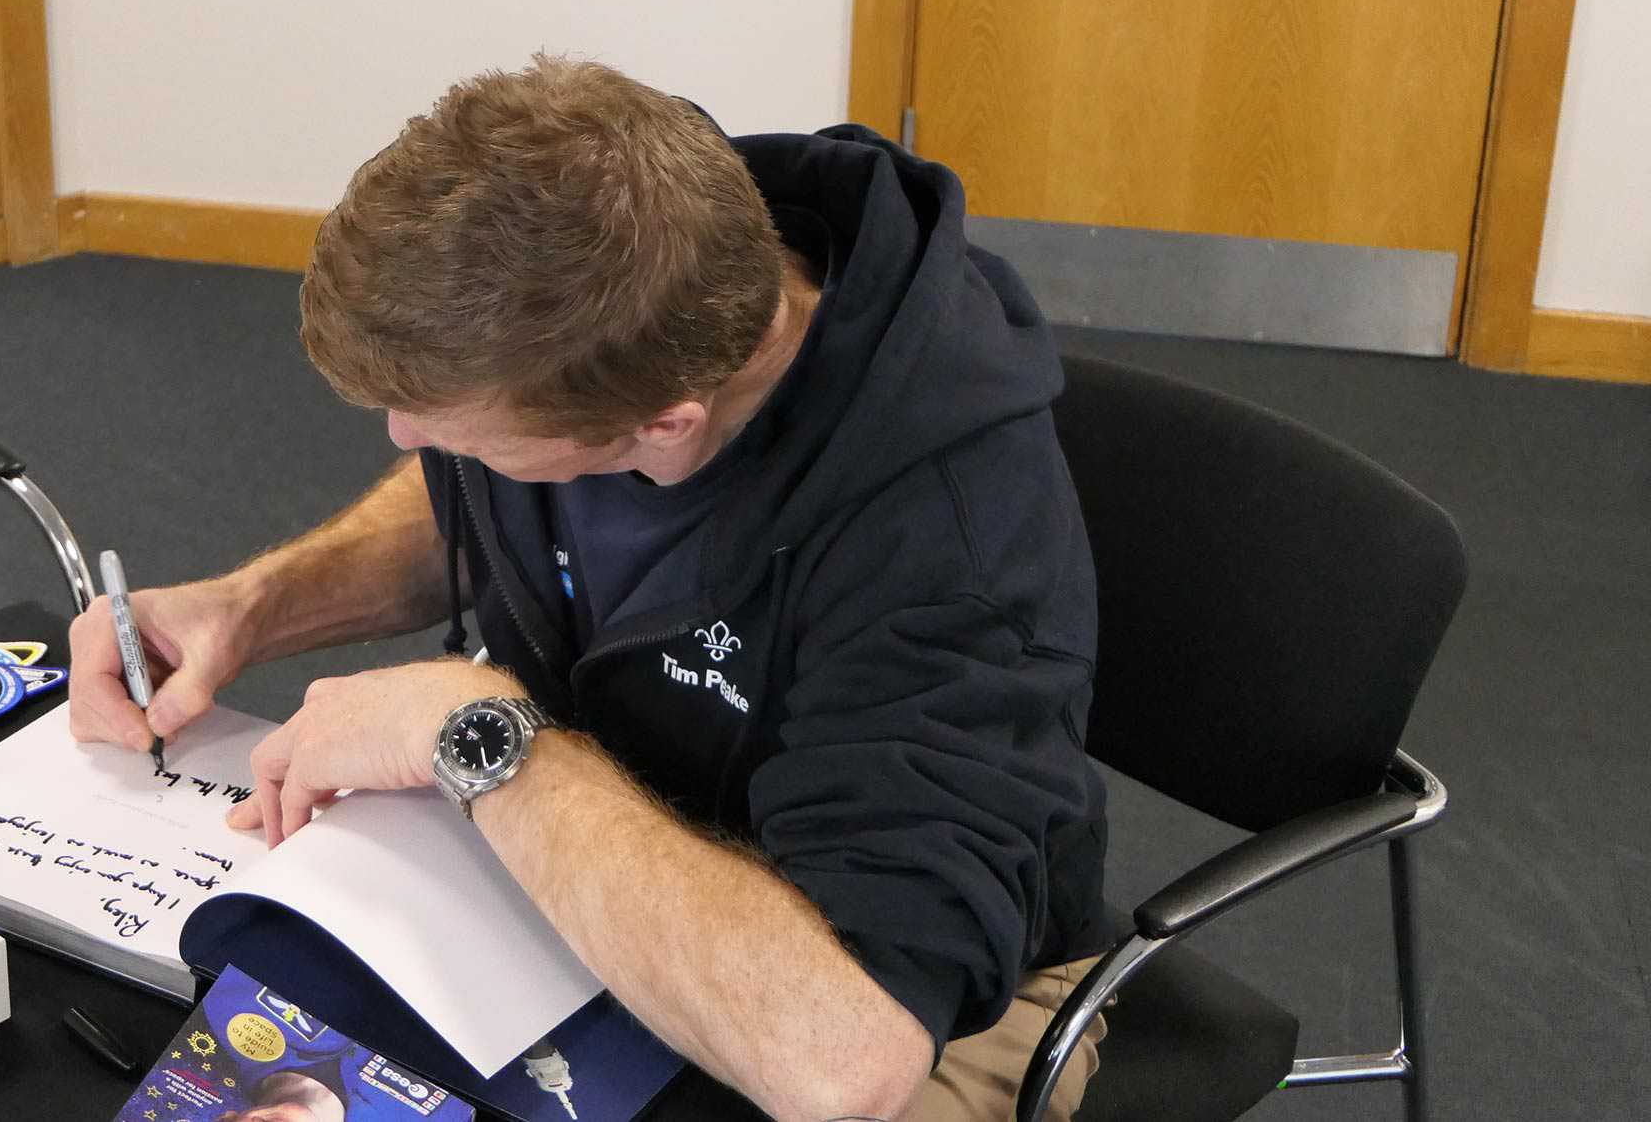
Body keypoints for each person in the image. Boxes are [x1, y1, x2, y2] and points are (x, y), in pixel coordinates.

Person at [66, 58, 1110, 1120]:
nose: (403, 441)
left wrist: (476, 733)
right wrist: (251, 605)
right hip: (585, 827)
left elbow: (843, 1060)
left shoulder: (945, 550)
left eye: (451, 428)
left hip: (890, 995)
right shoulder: (632, 273)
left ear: (665, 425)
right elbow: (477, 500)